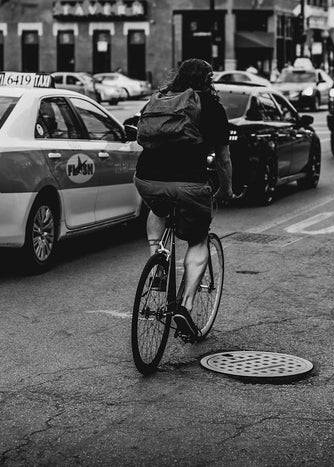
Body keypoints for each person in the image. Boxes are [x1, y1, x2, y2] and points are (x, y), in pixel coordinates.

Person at [133, 58, 233, 338]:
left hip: (146, 179)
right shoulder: (211, 106)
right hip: (188, 183)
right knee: (199, 238)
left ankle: (158, 260)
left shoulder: (160, 99)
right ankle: (185, 307)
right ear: (208, 80)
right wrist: (226, 190)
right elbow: (224, 160)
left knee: (158, 207)